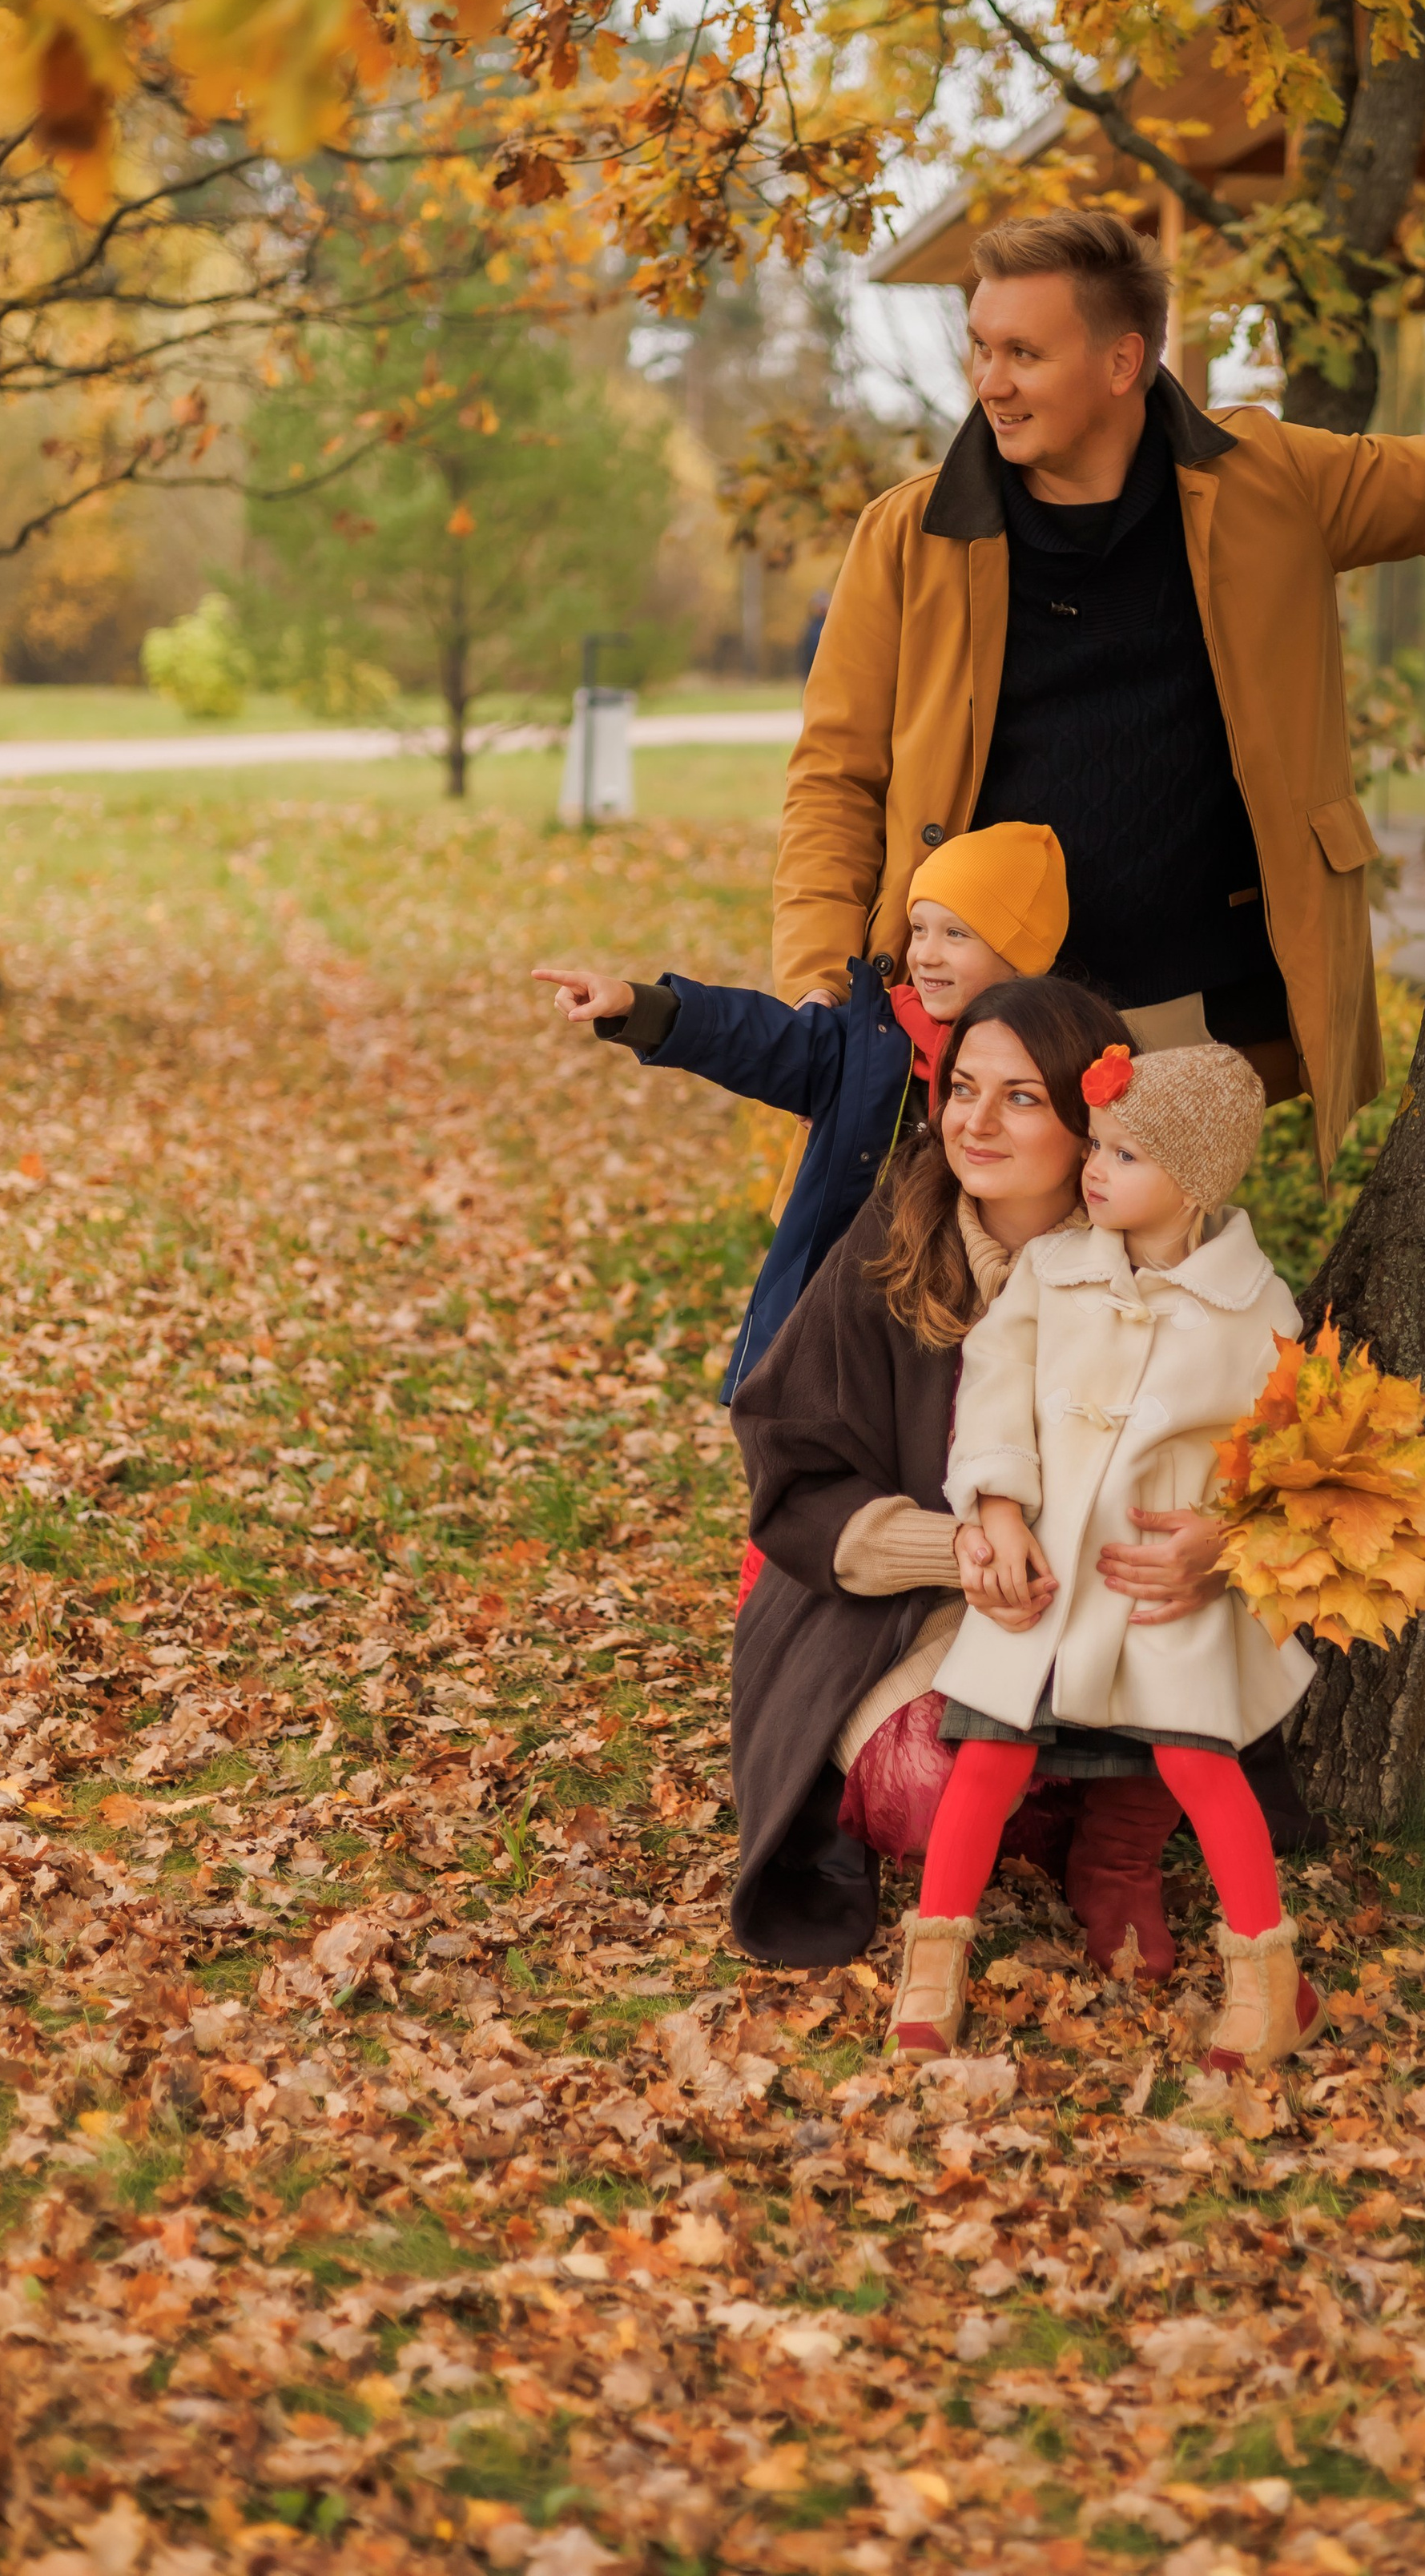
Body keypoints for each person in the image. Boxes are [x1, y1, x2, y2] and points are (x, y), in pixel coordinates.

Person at [774, 206, 1425, 1162]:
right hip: (981, 1023)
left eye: (1023, 353)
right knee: (963, 1297)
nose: (989, 383)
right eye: (980, 348)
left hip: (1195, 1018)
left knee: (1156, 1297)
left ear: (1122, 362)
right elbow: (834, 780)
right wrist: (815, 978)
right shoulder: (906, 536)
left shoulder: (1265, 481)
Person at [727, 978, 1303, 1970]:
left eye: (1022, 1097)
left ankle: (1114, 1856)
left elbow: (1279, 1447)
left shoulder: (1184, 1273)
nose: (974, 1123)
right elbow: (793, 1462)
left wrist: (1228, 1543)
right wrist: (959, 1545)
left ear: (1094, 1123)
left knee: (1169, 1679)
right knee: (939, 1782)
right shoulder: (895, 1239)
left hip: (1117, 1595)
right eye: (961, 1089)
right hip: (896, 1603)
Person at [884, 1040, 1326, 2075]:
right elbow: (994, 1383)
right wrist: (996, 1501)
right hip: (1045, 1566)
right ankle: (932, 1962)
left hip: (1159, 1577)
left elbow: (1289, 1449)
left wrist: (1229, 1534)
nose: (1096, 1169)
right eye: (1101, 1145)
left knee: (1196, 1760)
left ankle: (1272, 1985)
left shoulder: (1255, 1306)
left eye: (1126, 1156)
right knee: (988, 1753)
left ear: (1197, 1180)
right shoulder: (1053, 1269)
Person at [532, 819, 1068, 1403]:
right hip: (849, 1312)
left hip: (981, 1319)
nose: (925, 954)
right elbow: (759, 1037)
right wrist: (644, 1007)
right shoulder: (870, 1040)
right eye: (918, 929)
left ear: (1017, 955)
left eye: (956, 935)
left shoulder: (1055, 1064)